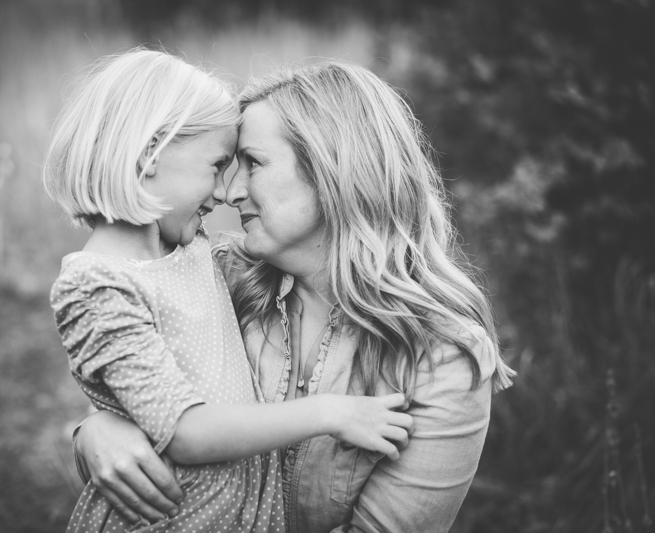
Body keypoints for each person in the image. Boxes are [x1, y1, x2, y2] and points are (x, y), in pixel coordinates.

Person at [73, 59, 516, 533]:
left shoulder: (442, 356)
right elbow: (133, 395)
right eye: (225, 165)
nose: (228, 192)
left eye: (253, 163)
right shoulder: (216, 278)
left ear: (333, 171)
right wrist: (94, 435)